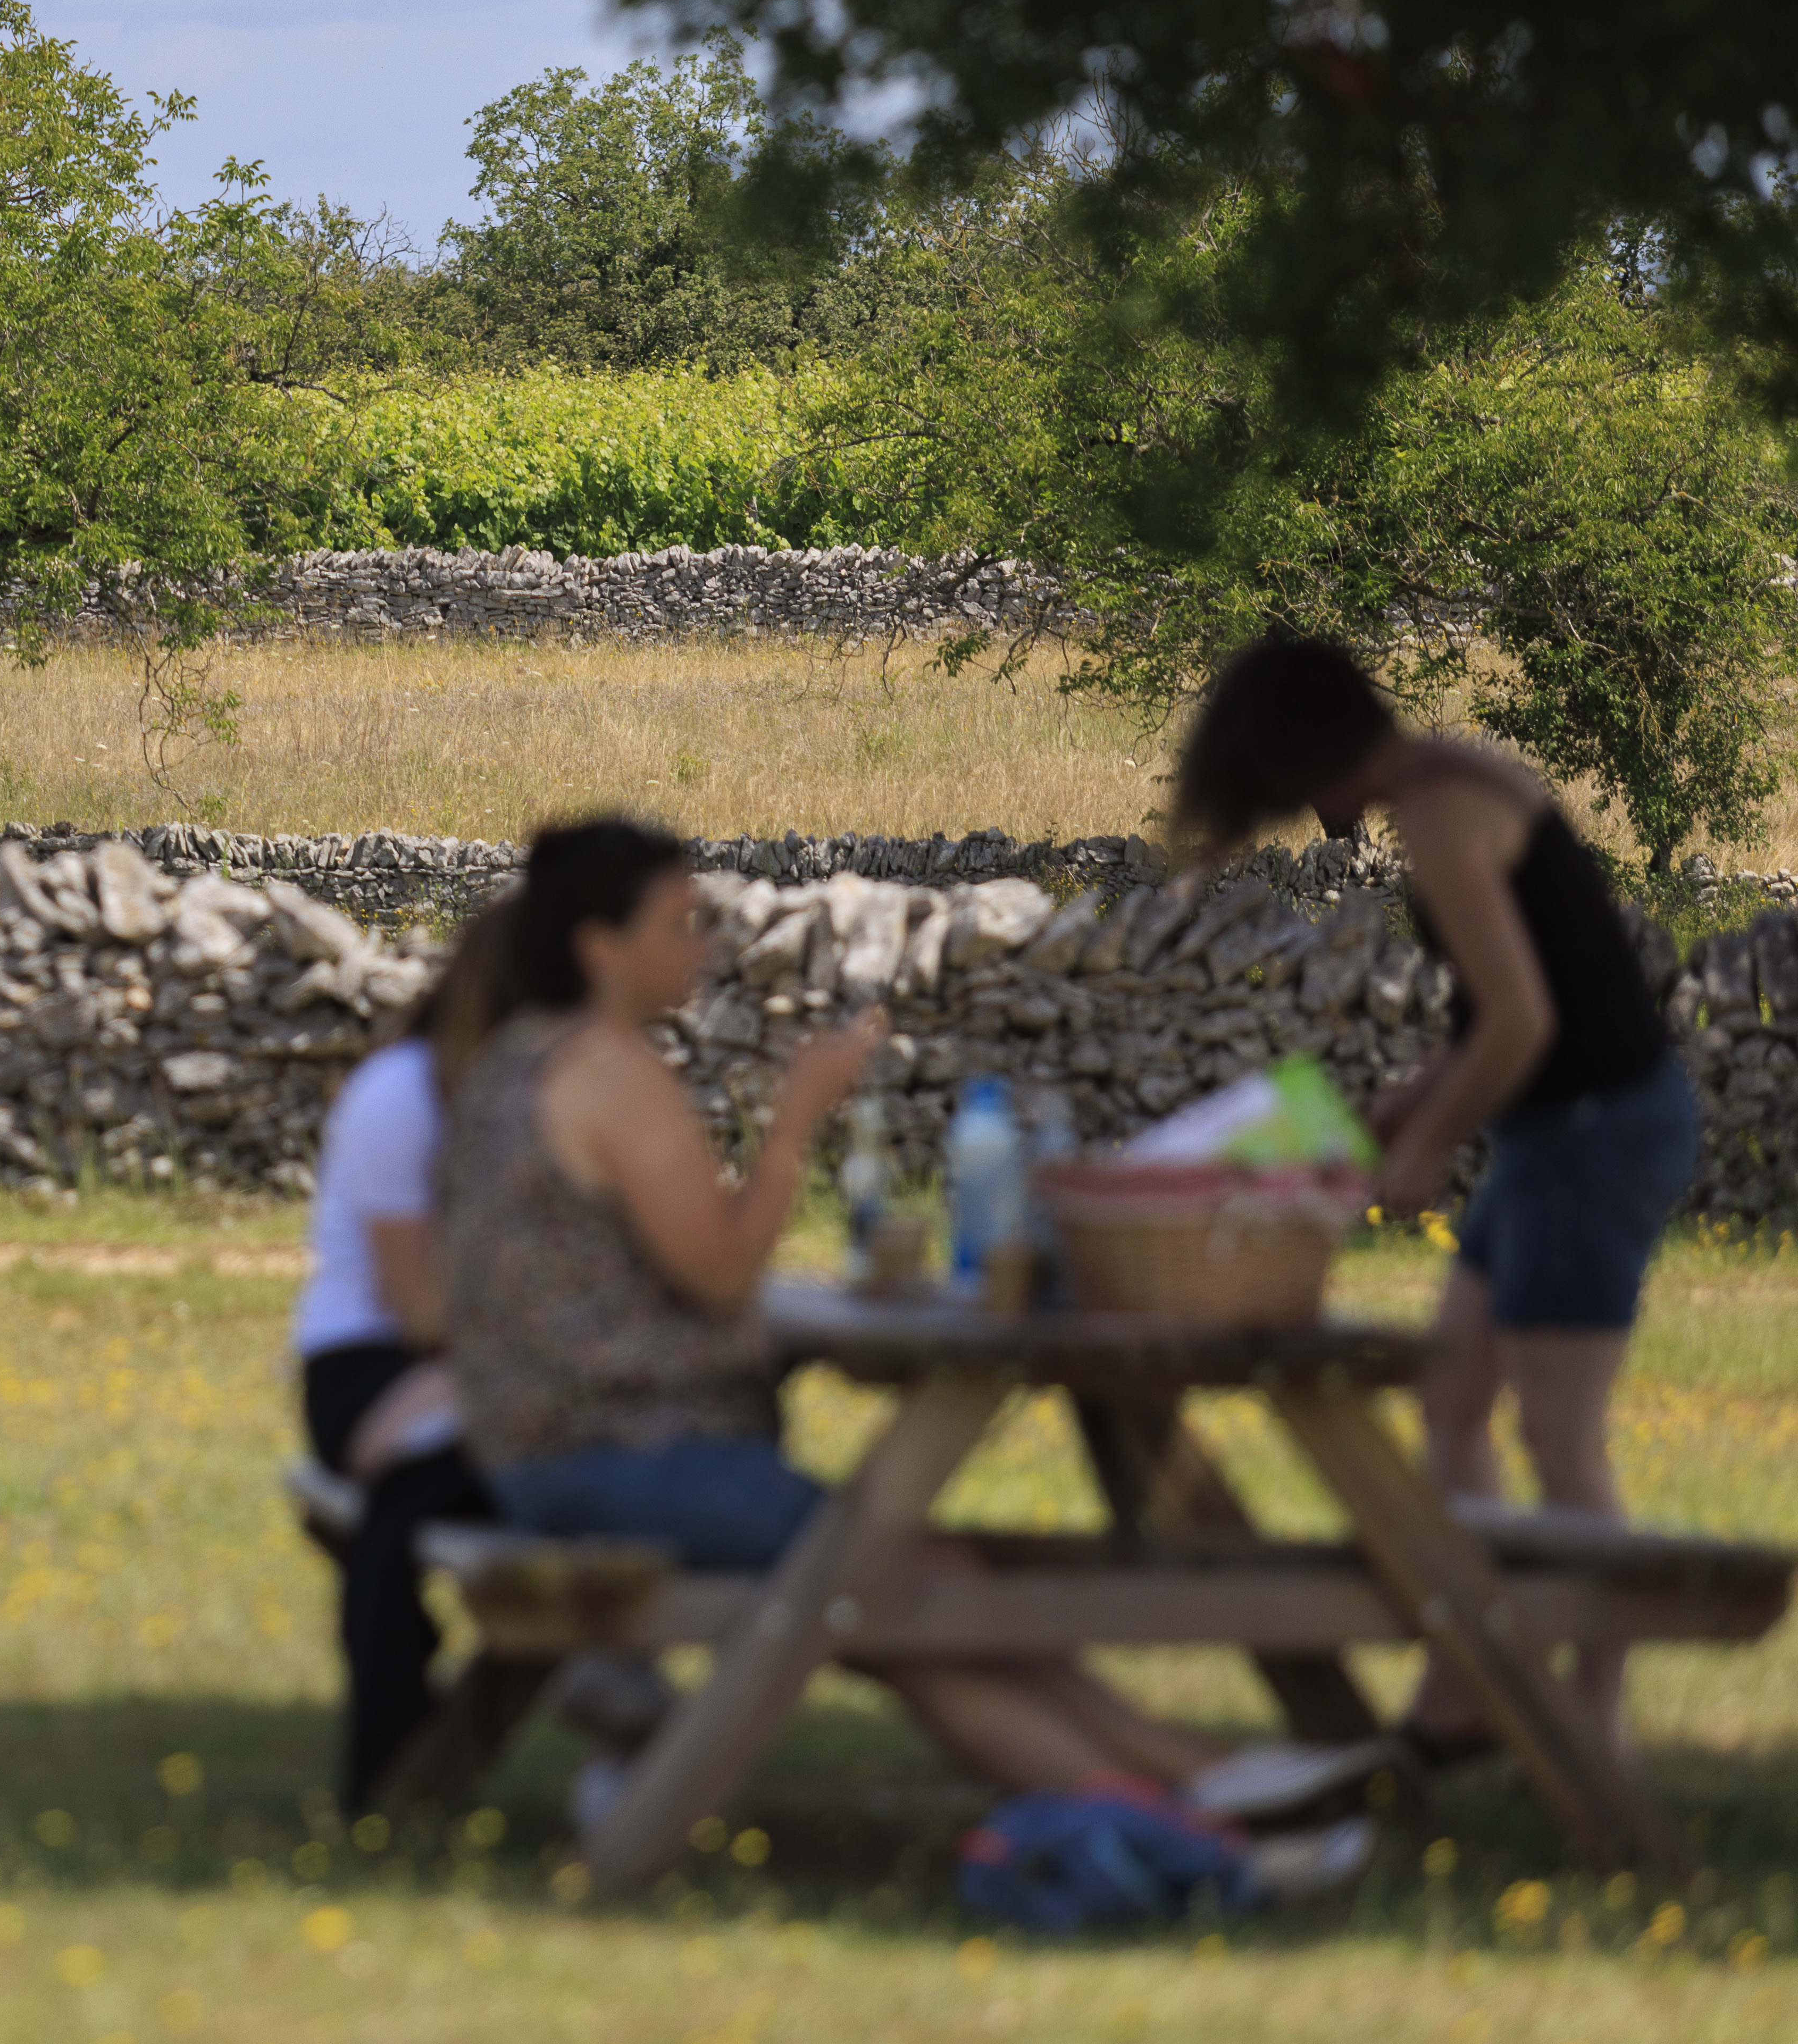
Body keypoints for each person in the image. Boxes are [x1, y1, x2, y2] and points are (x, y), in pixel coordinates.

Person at [437, 817, 1380, 1850]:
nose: (700, 944)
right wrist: (795, 1117)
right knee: (912, 1584)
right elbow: (719, 1273)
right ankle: (1201, 1808)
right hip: (626, 1459)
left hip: (546, 1451)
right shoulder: (611, 1073)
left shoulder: (514, 1061)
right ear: (598, 945)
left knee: (914, 1595)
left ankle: (1204, 1787)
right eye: (677, 923)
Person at [1170, 634, 1698, 1761]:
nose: (1297, 810)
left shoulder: (1440, 810)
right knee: (1452, 1400)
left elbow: (1523, 1022)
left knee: (1559, 1433)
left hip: (1598, 1132)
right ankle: (1471, 1679)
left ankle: (1591, 1722)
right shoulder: (1446, 778)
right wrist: (1398, 1106)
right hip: (1554, 1131)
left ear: (1306, 752)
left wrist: (1424, 1150)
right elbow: (1506, 1009)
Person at [290, 904, 517, 1808]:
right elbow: (418, 1307)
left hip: (456, 1367)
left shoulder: (512, 1098)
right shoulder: (406, 1095)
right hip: (376, 1364)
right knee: (441, 1476)